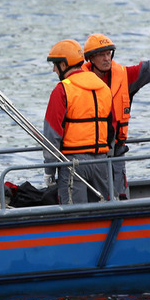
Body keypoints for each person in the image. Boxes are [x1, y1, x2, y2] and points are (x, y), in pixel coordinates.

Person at [82, 34, 150, 199]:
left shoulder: (125, 77)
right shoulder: (77, 83)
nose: (106, 58)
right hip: (89, 155)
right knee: (95, 197)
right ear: (90, 58)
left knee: (120, 195)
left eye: (108, 53)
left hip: (116, 152)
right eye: (101, 54)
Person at [43, 39, 114, 204]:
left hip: (74, 165)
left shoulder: (62, 90)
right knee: (103, 210)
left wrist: (49, 171)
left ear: (63, 64)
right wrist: (107, 157)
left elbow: (51, 136)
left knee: (73, 214)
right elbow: (110, 129)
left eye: (55, 64)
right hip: (102, 162)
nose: (54, 69)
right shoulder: (103, 87)